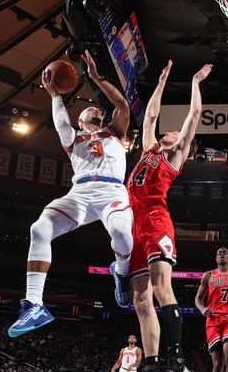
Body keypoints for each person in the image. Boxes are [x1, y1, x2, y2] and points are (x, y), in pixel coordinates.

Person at [9, 51, 134, 337]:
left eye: (98, 111)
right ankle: (34, 305)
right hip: (80, 192)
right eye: (90, 110)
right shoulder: (74, 138)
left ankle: (122, 271)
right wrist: (54, 95)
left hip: (111, 190)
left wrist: (97, 78)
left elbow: (123, 105)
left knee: (122, 234)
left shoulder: (115, 132)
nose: (95, 110)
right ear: (80, 119)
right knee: (39, 228)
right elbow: (61, 124)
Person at [123, 61, 213, 372]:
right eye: (169, 131)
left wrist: (193, 81)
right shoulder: (149, 150)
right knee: (141, 301)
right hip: (134, 226)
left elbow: (195, 114)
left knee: (162, 290)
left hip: (157, 222)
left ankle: (177, 367)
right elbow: (148, 119)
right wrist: (159, 84)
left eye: (176, 133)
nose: (171, 131)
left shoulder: (175, 157)